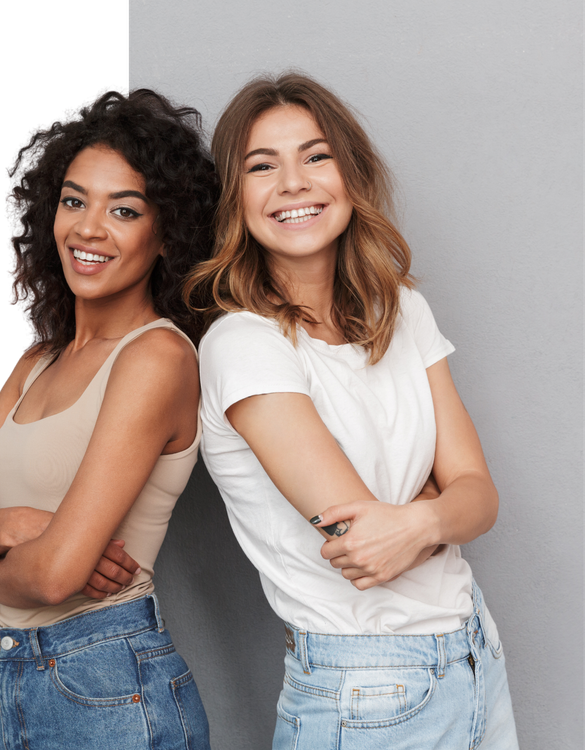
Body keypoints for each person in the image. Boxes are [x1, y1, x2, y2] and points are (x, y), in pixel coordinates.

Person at [185, 73, 519, 749]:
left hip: (473, 652)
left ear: (350, 173)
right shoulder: (243, 346)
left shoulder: (401, 309)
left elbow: (481, 500)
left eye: (316, 155)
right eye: (261, 166)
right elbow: (364, 546)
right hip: (366, 687)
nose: (293, 184)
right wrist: (434, 507)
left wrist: (420, 516)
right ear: (235, 197)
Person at [0, 88, 217, 749]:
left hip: (107, 681)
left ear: (166, 234)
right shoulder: (38, 359)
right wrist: (20, 526)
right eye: (75, 200)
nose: (88, 228)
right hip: (5, 674)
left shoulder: (157, 358)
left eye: (125, 210)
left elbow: (53, 576)